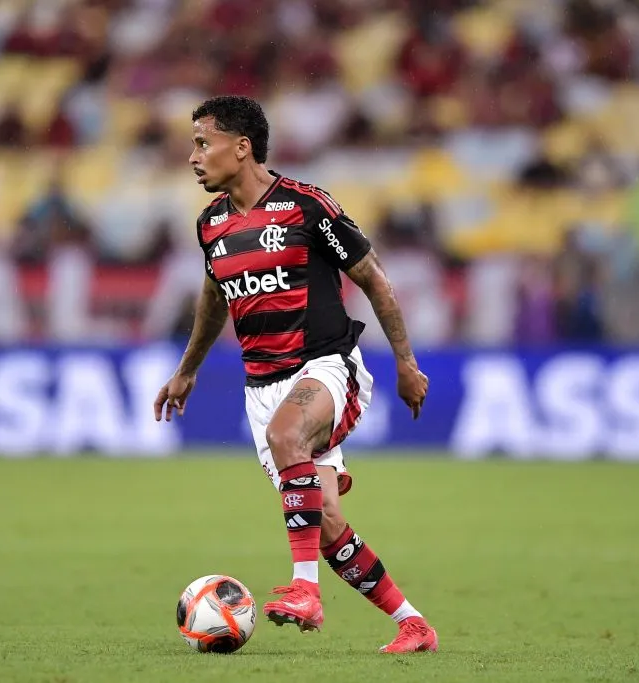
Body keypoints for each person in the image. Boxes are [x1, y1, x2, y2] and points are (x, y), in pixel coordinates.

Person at [153, 96, 437, 654]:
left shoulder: (307, 206)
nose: (192, 156)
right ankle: (413, 624)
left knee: (289, 436)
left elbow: (375, 280)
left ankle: (304, 590)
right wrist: (186, 371)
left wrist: (406, 362)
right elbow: (214, 299)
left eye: (202, 143)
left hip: (326, 365)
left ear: (242, 147)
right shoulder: (210, 225)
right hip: (262, 387)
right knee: (327, 524)